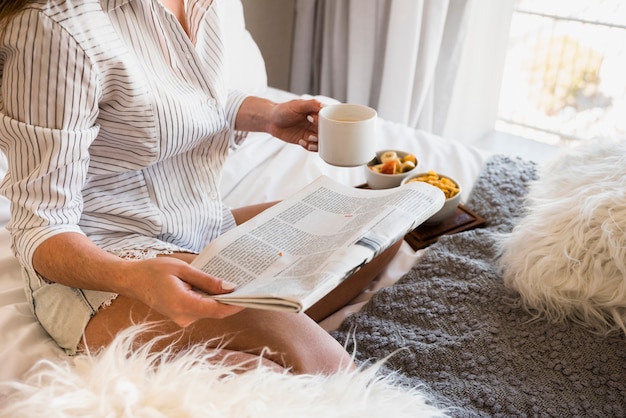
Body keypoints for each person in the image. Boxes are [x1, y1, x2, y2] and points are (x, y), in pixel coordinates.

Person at [0, 0, 401, 374]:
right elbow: (41, 224)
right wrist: (131, 278)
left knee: (383, 224)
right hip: (107, 261)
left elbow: (185, 99)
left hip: (203, 226)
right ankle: (225, 340)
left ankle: (236, 340)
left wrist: (270, 116)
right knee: (325, 366)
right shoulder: (54, 27)